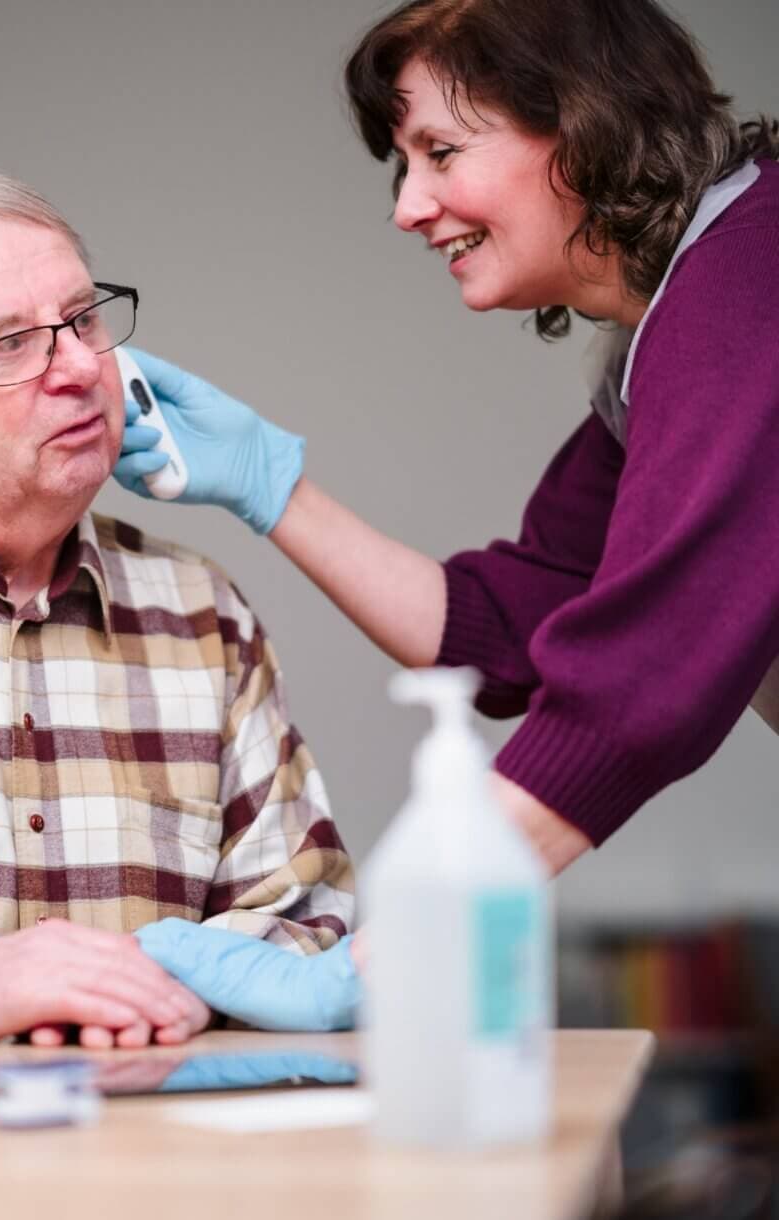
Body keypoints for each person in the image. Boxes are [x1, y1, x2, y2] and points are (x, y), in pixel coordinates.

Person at [113, 0, 779, 1028]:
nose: (408, 206)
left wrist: (381, 959)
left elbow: (649, 673)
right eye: (401, 162)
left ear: (587, 126)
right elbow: (513, 626)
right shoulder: (667, 338)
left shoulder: (748, 286)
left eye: (440, 150)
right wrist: (270, 486)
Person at [0, 159, 354, 1046]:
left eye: (83, 318)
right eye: (10, 343)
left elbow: (308, 912)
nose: (83, 367)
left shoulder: (201, 614)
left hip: (146, 1164)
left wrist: (157, 992)